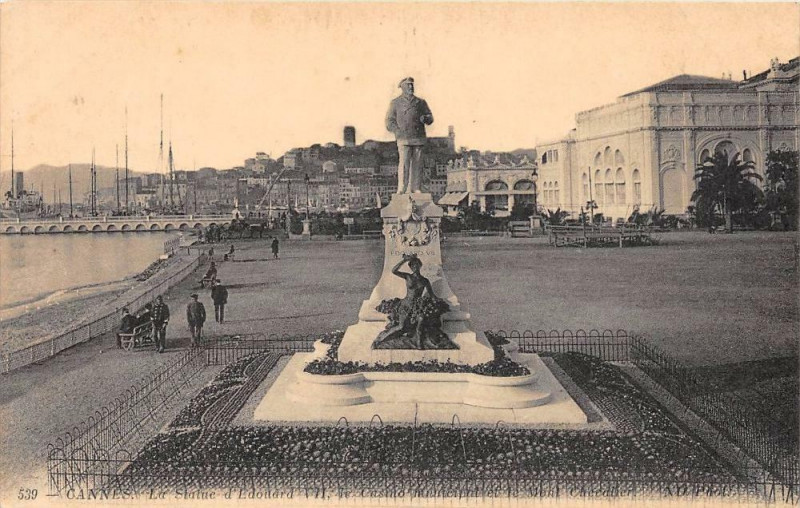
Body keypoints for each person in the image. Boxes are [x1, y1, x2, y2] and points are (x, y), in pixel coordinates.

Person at [373, 254, 455, 350]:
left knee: (421, 319)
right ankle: (380, 340)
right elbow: (394, 271)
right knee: (401, 327)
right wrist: (404, 260)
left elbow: (432, 295)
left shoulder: (424, 281)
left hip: (418, 306)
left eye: (417, 265)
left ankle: (419, 342)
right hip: (406, 305)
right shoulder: (408, 277)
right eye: (413, 266)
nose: (415, 267)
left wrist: (439, 301)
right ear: (411, 267)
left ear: (420, 266)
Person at [385, 77, 434, 194]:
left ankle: (416, 187)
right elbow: (389, 121)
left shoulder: (421, 102)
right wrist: (397, 131)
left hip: (418, 137)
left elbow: (430, 118)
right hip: (403, 138)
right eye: (408, 85)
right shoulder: (395, 103)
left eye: (412, 85)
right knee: (404, 163)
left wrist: (425, 118)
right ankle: (402, 187)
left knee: (418, 164)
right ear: (402, 87)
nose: (411, 87)